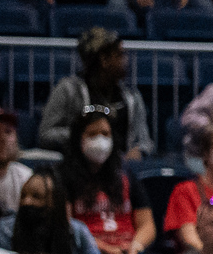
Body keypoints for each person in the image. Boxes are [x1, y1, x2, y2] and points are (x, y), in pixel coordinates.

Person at [40, 26, 158, 163]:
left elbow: (146, 141)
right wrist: (83, 135)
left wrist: (140, 150)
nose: (126, 60)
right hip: (78, 167)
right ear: (104, 60)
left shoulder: (131, 97)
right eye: (120, 55)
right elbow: (45, 134)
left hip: (122, 169)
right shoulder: (68, 90)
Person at [58, 106, 154, 254]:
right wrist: (102, 248)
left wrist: (135, 246)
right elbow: (65, 227)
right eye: (92, 134)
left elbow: (147, 224)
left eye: (105, 134)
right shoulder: (64, 176)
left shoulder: (126, 174)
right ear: (79, 139)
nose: (100, 140)